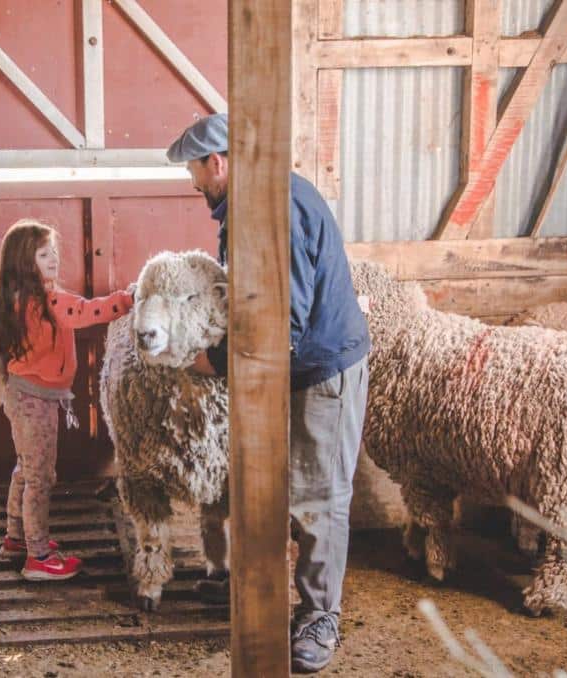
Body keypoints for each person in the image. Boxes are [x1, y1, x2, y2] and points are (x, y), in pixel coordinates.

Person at [167, 114, 371, 673]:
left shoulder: (274, 209)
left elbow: (283, 320)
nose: (193, 184)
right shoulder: (248, 206)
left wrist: (219, 361)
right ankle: (255, 588)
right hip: (287, 366)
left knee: (318, 495)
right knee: (273, 485)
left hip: (319, 370)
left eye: (195, 171)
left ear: (218, 162)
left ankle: (318, 617)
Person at [0, 219, 134, 582]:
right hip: (35, 398)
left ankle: (16, 539)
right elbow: (88, 311)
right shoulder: (46, 302)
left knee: (26, 469)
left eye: (55, 254)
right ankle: (39, 556)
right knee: (40, 477)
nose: (54, 260)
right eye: (44, 254)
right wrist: (130, 299)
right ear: (24, 260)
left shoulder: (18, 299)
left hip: (25, 394)